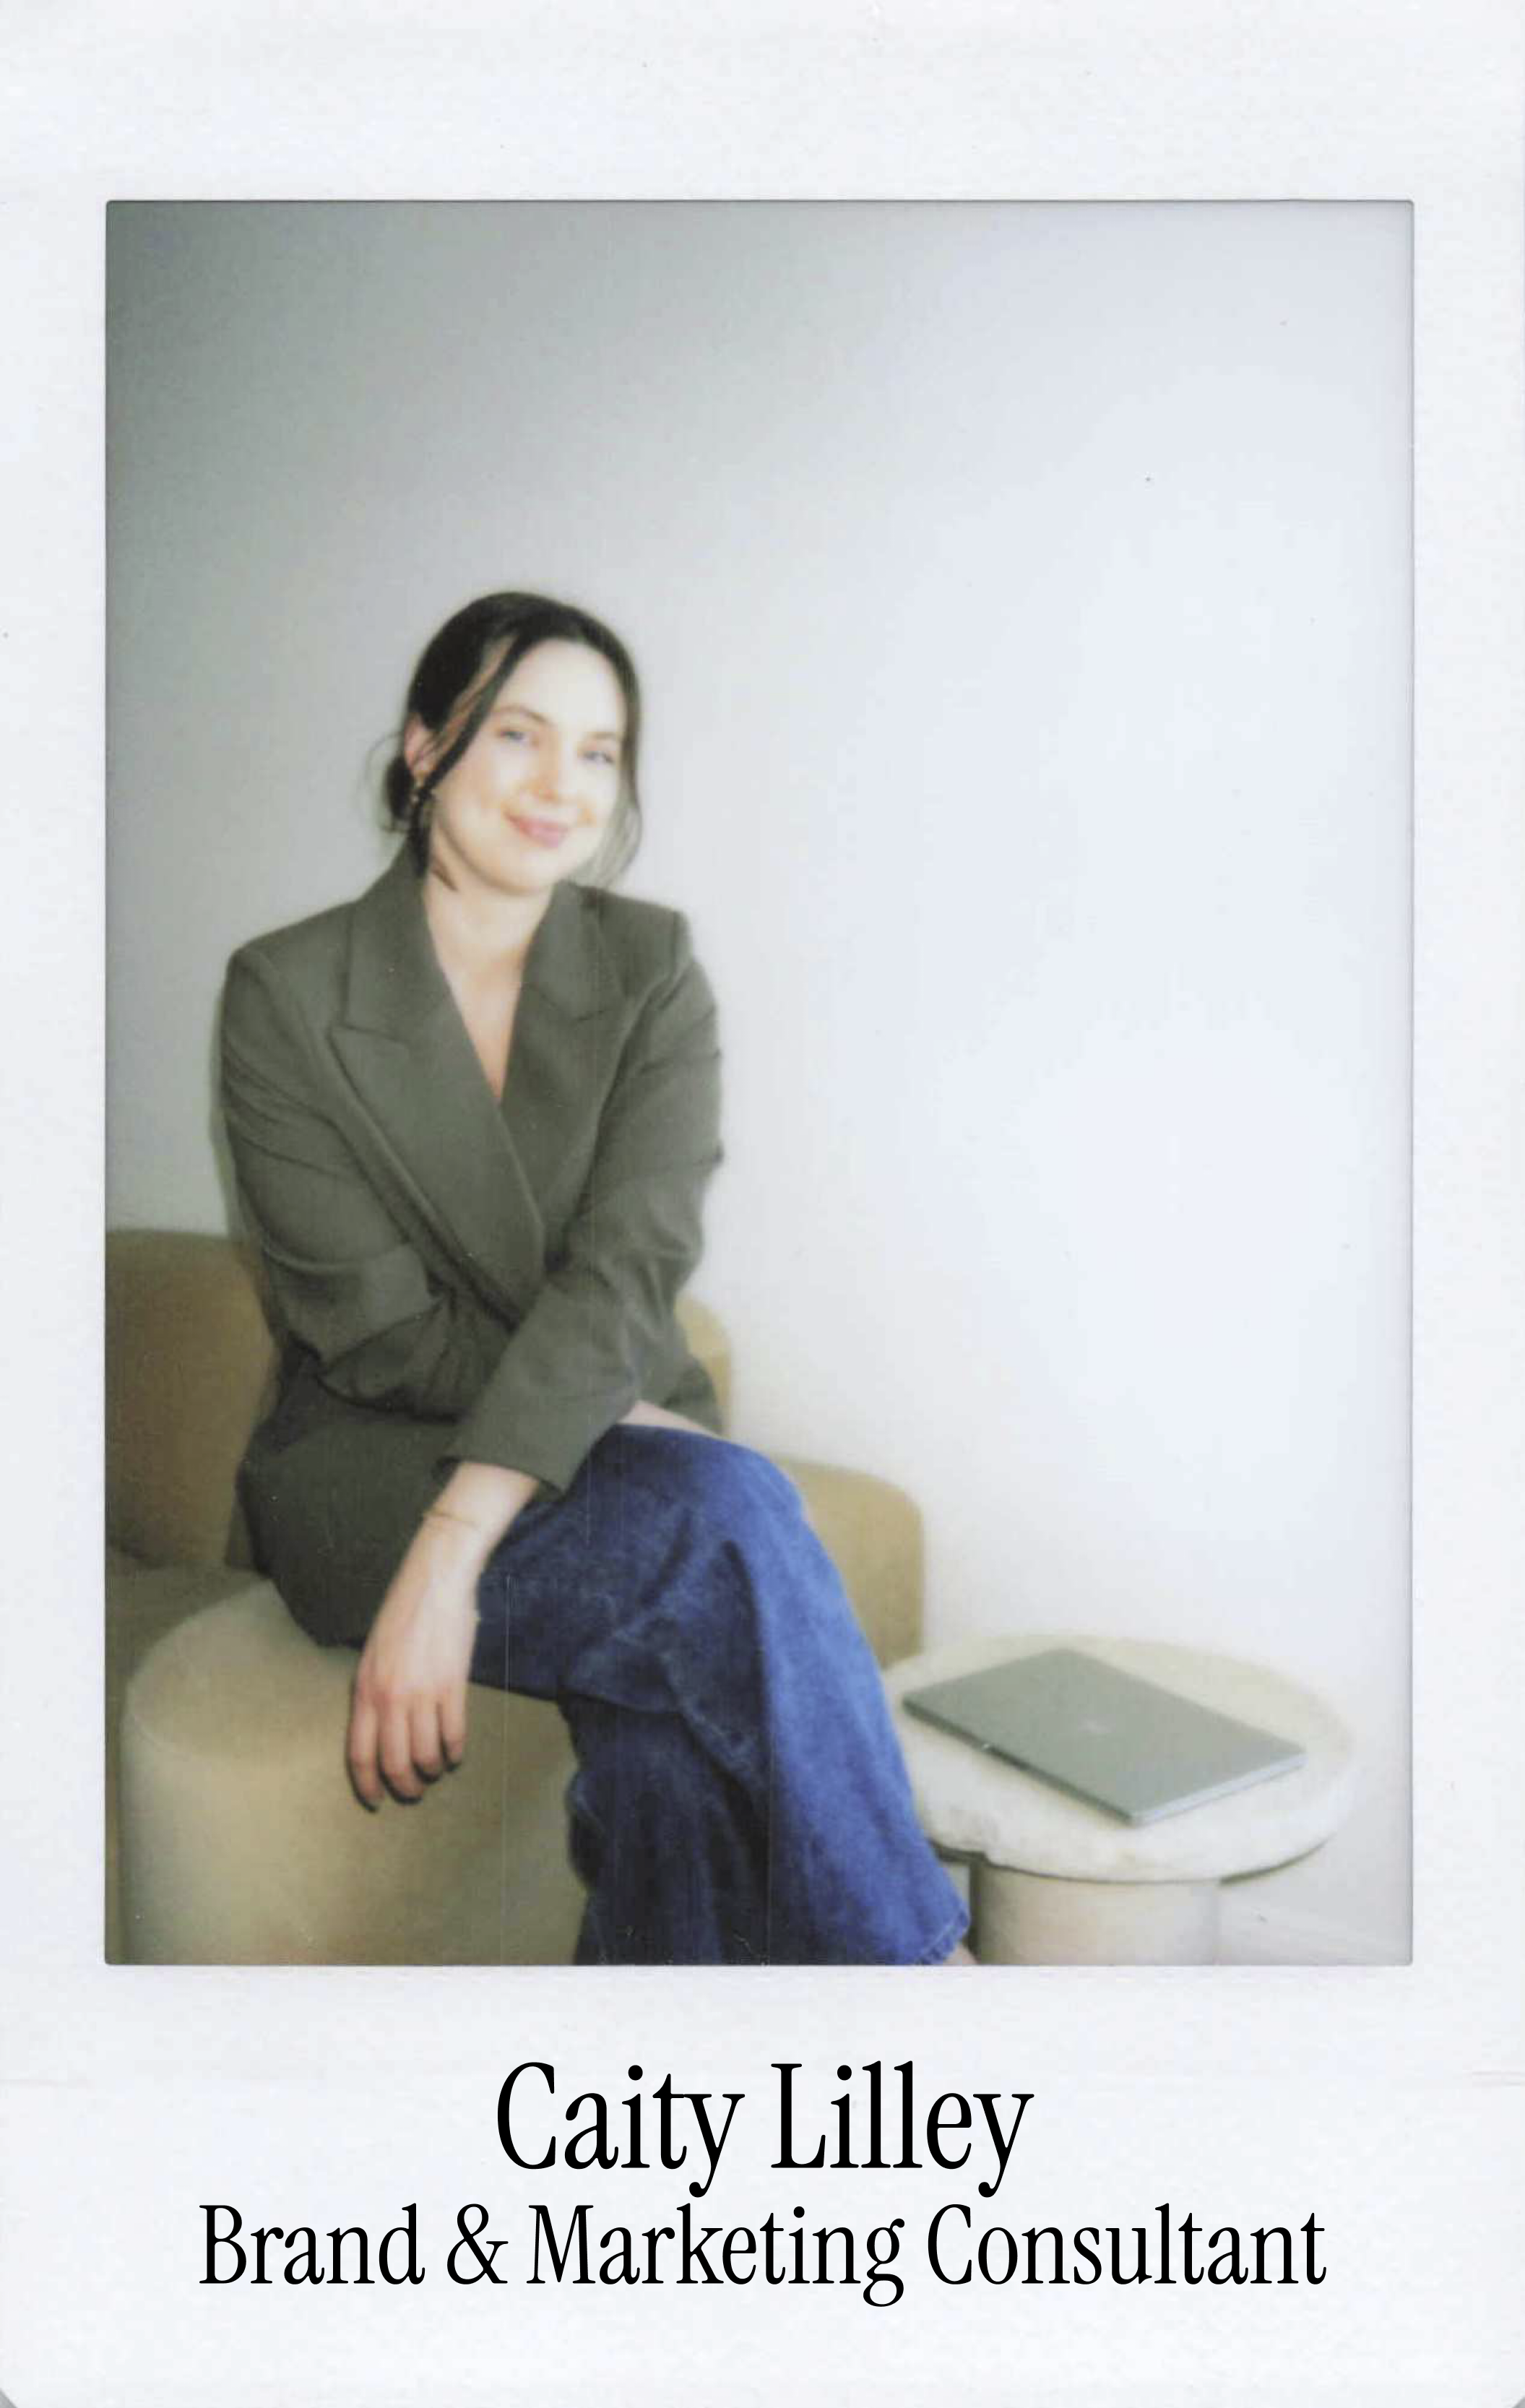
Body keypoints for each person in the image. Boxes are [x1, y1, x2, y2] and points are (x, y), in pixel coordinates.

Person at [219, 590, 970, 1965]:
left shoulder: (651, 969)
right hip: (375, 1471)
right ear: (426, 748)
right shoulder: (284, 992)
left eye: (600, 751)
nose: (561, 785)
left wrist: (575, 1408)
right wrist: (492, 1498)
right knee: (726, 1516)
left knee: (670, 1748)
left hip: (601, 1441)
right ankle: (919, 1978)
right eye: (518, 733)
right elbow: (375, 1335)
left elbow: (635, 1261)